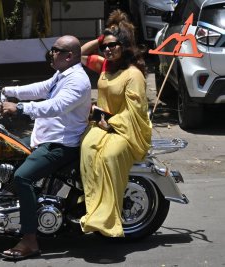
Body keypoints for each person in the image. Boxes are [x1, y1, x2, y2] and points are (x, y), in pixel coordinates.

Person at [0, 35, 91, 260]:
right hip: (45, 138)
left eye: (56, 50)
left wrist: (19, 108)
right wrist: (7, 90)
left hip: (60, 144)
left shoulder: (78, 80)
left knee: (22, 177)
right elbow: (41, 89)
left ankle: (30, 240)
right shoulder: (62, 74)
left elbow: (56, 106)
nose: (51, 53)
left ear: (69, 56)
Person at [79, 10, 152, 237]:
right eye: (105, 47)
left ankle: (108, 219)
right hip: (101, 125)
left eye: (113, 45)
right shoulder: (104, 67)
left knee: (109, 157)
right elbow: (77, 55)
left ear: (125, 46)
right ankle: (92, 210)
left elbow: (135, 112)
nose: (108, 50)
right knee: (87, 149)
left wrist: (109, 122)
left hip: (124, 130)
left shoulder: (134, 74)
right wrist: (102, 38)